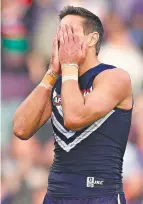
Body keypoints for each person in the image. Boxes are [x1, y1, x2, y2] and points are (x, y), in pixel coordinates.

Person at [13, 6, 133, 204]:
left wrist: (68, 66)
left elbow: (75, 118)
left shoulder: (115, 77)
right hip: (56, 194)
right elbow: (20, 128)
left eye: (70, 33)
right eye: (60, 33)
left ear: (92, 39)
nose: (63, 39)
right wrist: (51, 73)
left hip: (99, 195)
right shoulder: (59, 81)